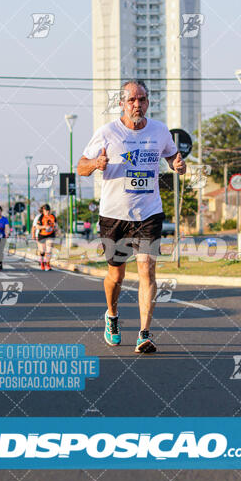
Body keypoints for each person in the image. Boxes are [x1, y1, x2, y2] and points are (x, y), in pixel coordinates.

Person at [77, 79, 186, 354]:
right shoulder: (107, 132)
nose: (137, 104)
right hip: (114, 215)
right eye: (132, 100)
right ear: (122, 103)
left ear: (148, 102)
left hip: (149, 213)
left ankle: (144, 333)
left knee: (147, 269)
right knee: (116, 274)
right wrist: (95, 164)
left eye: (142, 99)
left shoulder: (160, 131)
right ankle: (112, 316)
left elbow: (173, 157)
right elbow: (80, 167)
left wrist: (178, 165)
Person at [31, 204, 57, 271]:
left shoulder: (52, 216)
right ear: (43, 210)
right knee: (42, 251)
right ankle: (42, 262)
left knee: (48, 251)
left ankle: (48, 263)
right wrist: (33, 235)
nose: (47, 212)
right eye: (46, 210)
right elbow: (35, 227)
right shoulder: (39, 217)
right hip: (41, 235)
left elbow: (56, 225)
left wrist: (55, 228)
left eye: (48, 210)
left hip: (50, 235)